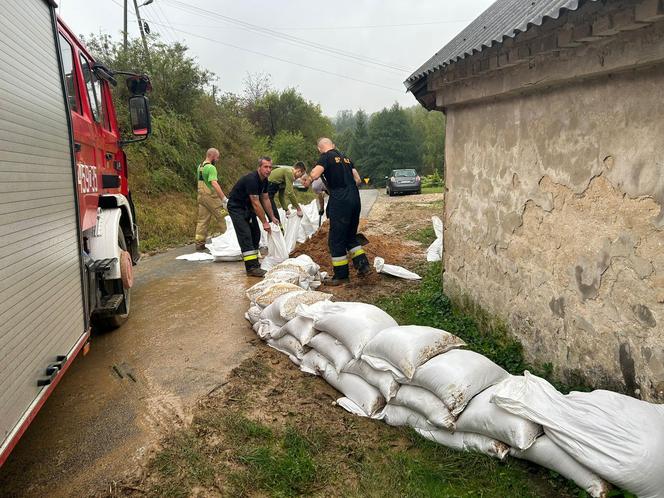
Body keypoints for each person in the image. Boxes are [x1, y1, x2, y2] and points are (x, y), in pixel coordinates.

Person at [307, 138, 371, 285]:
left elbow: (316, 174)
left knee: (336, 240)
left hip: (340, 201)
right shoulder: (346, 158)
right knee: (350, 236)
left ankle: (341, 276)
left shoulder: (326, 156)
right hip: (355, 199)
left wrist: (308, 179)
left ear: (319, 148)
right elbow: (358, 179)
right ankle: (363, 266)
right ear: (333, 145)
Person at [227, 156, 280, 277]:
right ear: (259, 167)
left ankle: (255, 264)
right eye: (265, 167)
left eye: (270, 167)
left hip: (247, 207)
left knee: (255, 233)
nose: (268, 170)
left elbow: (265, 199)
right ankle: (251, 268)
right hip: (237, 207)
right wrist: (265, 222)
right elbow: (256, 203)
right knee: (245, 235)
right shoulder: (252, 179)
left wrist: (272, 217)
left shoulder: (265, 180)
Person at [195, 148, 228, 251]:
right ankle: (228, 240)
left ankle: (199, 243)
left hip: (201, 197)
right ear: (213, 156)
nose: (217, 160)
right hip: (211, 197)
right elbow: (214, 183)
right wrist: (223, 198)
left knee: (202, 220)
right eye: (217, 158)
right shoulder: (211, 168)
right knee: (224, 216)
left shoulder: (200, 167)